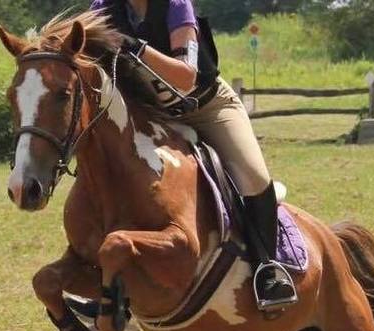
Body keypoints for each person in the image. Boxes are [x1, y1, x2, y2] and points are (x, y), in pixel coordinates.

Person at [89, 0, 297, 312]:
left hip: (208, 108)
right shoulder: (102, 8)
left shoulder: (175, 5)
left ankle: (267, 267)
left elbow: (186, 78)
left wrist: (137, 48)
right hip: (154, 116)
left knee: (253, 177)